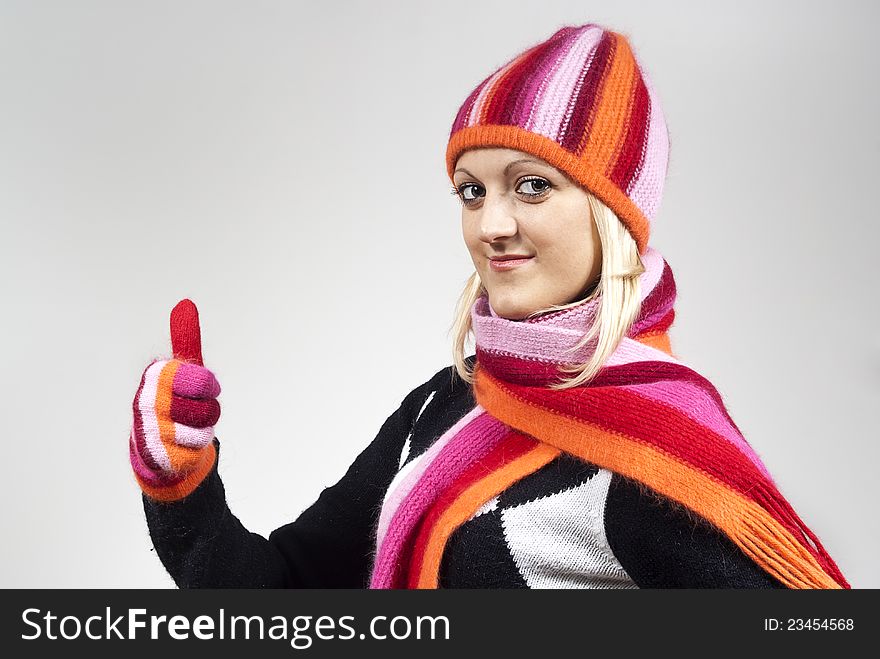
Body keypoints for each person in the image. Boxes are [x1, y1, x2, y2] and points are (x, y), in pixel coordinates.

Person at [129, 22, 850, 589]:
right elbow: (278, 598)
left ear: (614, 214)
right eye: (472, 190)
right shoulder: (443, 406)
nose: (491, 225)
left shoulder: (659, 456)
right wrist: (181, 482)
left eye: (532, 185)